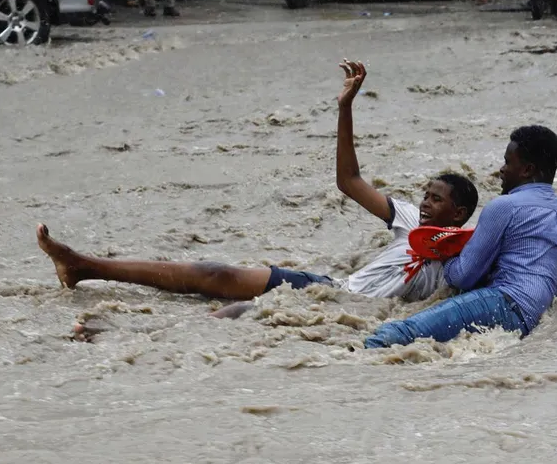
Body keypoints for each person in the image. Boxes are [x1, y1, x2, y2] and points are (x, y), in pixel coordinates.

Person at [35, 61, 480, 314]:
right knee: (216, 274)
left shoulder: (471, 256)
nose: (423, 204)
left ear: (458, 214)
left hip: (347, 313)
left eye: (435, 199)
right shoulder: (407, 220)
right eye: (423, 194)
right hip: (329, 288)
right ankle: (83, 265)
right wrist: (345, 108)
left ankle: (119, 322)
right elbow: (348, 181)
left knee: (229, 314)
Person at [364, 125, 557, 349]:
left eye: (507, 162)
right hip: (538, 322)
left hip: (503, 304)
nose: (501, 170)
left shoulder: (504, 206)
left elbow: (464, 276)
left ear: (527, 170)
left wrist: (445, 252)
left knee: (395, 334)